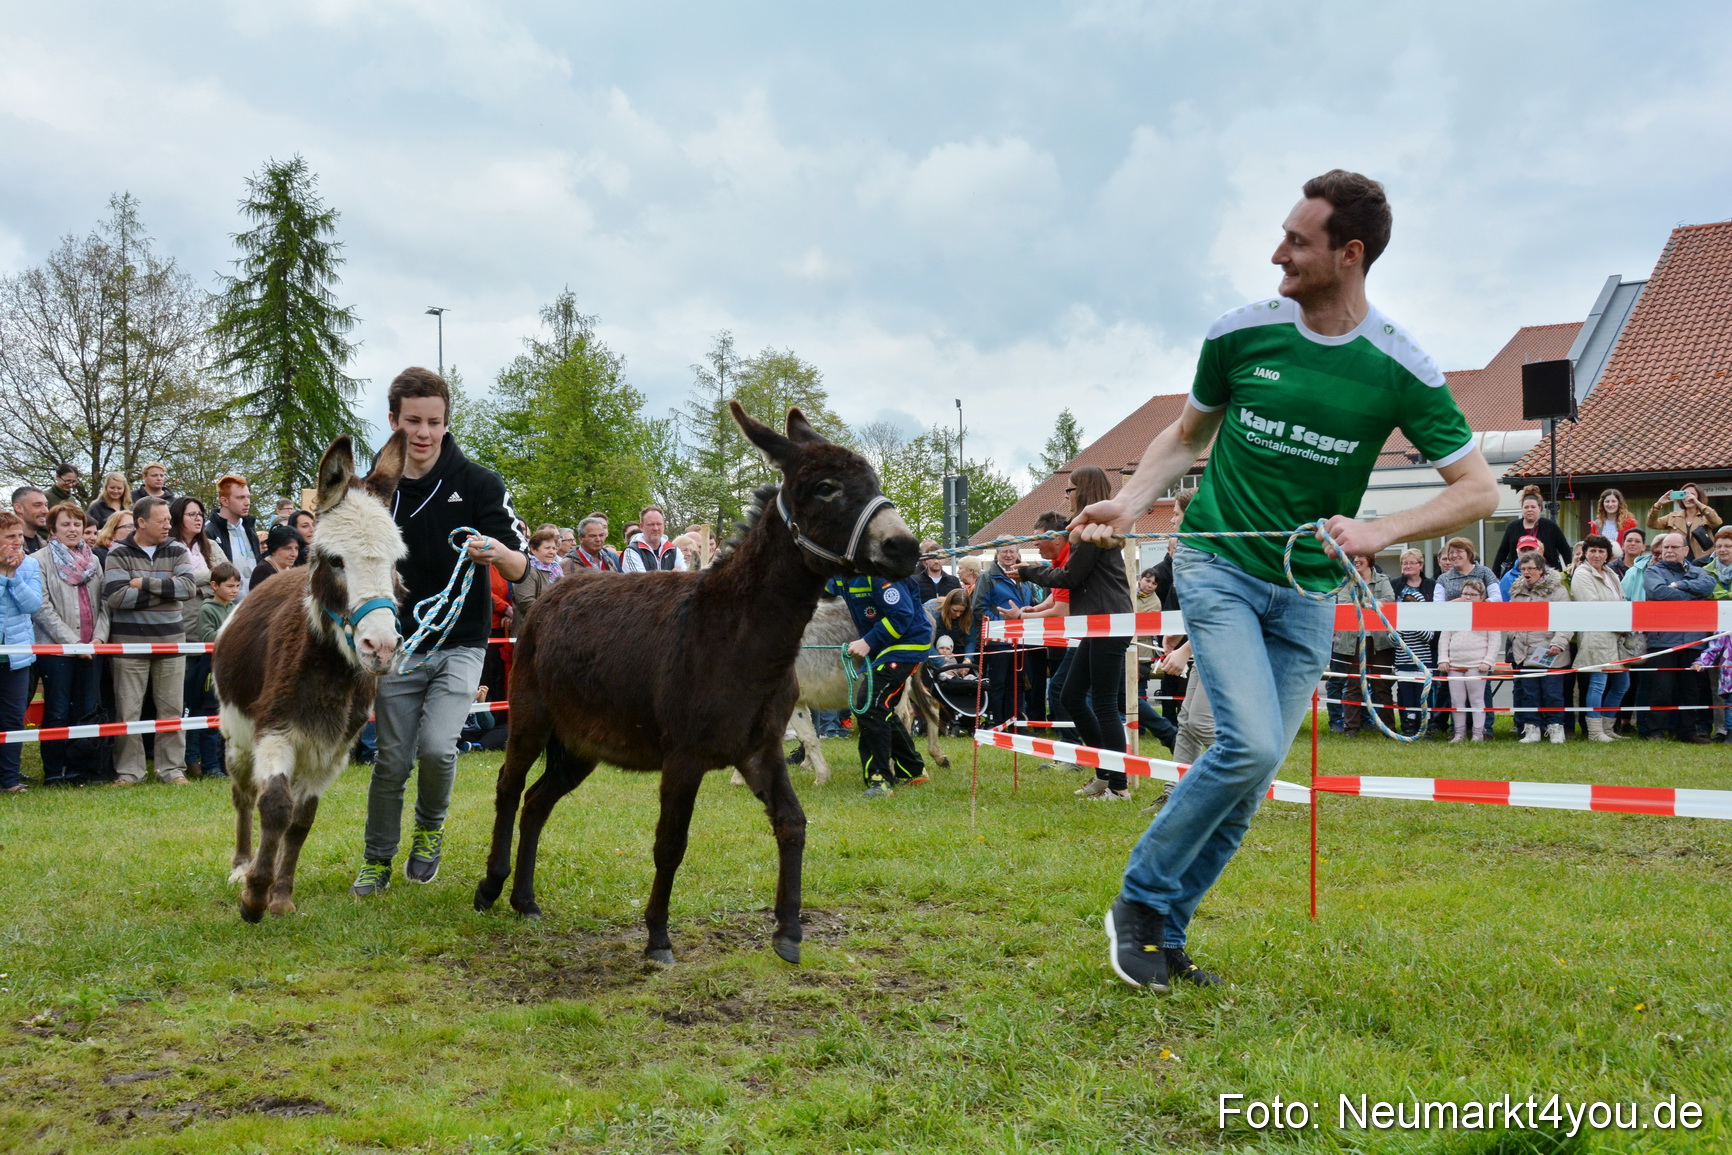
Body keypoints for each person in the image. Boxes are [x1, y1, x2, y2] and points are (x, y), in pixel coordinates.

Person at [1070, 169, 1496, 990]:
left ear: (1351, 254)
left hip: (1310, 588)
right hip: (1218, 560)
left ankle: (1166, 931)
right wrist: (1129, 498)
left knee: (1255, 773)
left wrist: (1380, 530)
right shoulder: (1240, 335)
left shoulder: (1401, 366)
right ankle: (1137, 899)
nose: (1277, 255)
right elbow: (1187, 432)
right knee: (1253, 742)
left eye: (1298, 243)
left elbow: (1480, 489)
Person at [355, 366, 528, 897]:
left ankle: (429, 832)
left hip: (460, 641)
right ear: (393, 421)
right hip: (396, 644)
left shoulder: (479, 484)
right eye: (412, 421)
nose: (423, 433)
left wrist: (495, 552)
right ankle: (376, 860)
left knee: (437, 748)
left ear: (447, 422)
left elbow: (522, 567)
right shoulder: (371, 491)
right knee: (391, 759)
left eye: (434, 422)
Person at [1015, 466, 1137, 800]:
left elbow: (1071, 577)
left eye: (1069, 491)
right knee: (1069, 695)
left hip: (1109, 623)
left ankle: (1119, 785)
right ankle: (1105, 773)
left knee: (1104, 704)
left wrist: (1029, 572)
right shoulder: (1086, 529)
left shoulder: (1093, 530)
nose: (1066, 497)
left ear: (1081, 492)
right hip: (1097, 623)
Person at [103, 495, 195, 786]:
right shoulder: (117, 553)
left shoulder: (178, 549)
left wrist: (143, 583)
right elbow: (116, 596)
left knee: (171, 710)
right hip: (129, 646)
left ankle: (172, 769)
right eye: (162, 520)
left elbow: (188, 589)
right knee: (127, 711)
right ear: (141, 522)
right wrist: (166, 591)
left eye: (169, 519)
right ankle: (130, 771)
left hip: (171, 643)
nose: (169, 524)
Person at [826, 567, 932, 797]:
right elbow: (820, 588)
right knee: (880, 706)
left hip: (904, 646)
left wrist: (868, 641)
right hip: (882, 650)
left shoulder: (881, 573)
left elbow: (901, 614)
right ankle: (913, 769)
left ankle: (880, 780)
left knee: (870, 705)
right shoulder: (843, 575)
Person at [32, 503, 109, 785]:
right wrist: (73, 642)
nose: (73, 529)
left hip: (94, 647)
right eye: (65, 524)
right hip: (56, 650)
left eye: (77, 524)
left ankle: (82, 769)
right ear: (52, 530)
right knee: (57, 710)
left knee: (86, 710)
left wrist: (99, 638)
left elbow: (104, 604)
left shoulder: (95, 561)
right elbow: (41, 608)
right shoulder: (38, 560)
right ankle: (55, 771)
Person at [1638, 533, 1714, 742]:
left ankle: (1687, 731)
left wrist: (1680, 585)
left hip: (1692, 639)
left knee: (1690, 690)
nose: (1669, 551)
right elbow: (1659, 593)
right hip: (1662, 640)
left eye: (1674, 547)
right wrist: (1693, 594)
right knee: (1660, 688)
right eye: (1666, 547)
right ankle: (1656, 731)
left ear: (1685, 550)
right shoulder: (1653, 571)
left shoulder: (1699, 571)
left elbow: (1708, 586)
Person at [965, 543, 1033, 727]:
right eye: (1004, 551)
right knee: (999, 683)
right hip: (998, 641)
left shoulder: (1024, 578)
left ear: (1018, 554)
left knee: (1018, 683)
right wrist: (1000, 625)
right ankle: (997, 722)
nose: (1008, 555)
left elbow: (1031, 603)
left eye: (1012, 551)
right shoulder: (987, 577)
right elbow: (978, 608)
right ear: (998, 554)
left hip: (1021, 638)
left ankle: (1015, 723)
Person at [1569, 534, 1628, 743]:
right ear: (1585, 553)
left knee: (1622, 684)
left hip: (1617, 636)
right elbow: (1593, 607)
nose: (1596, 555)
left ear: (1608, 555)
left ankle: (1607, 727)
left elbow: (1622, 600)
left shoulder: (1611, 573)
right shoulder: (1582, 574)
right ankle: (1594, 731)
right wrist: (1619, 623)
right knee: (1597, 683)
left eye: (1601, 551)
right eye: (1592, 550)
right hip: (1597, 635)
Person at [0, 512, 43, 793]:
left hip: (17, 657)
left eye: (19, 536)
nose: (17, 542)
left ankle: (9, 779)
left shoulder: (29, 565)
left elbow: (33, 605)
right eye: (9, 537)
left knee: (14, 718)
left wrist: (12, 577)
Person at [1329, 554, 1396, 736]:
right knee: (1353, 685)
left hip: (1379, 641)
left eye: (1360, 557)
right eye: (1354, 558)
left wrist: (1360, 604)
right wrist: (1372, 604)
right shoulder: (1346, 581)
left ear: (1370, 560)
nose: (1356, 560)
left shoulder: (1383, 580)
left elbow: (1389, 601)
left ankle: (1389, 729)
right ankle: (1351, 729)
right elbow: (1344, 604)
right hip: (1354, 640)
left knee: (1382, 686)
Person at [1507, 551, 1570, 743]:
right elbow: (1509, 620)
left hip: (1551, 652)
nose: (1526, 572)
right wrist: (1515, 636)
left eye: (1531, 568)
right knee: (1529, 694)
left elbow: (1567, 620)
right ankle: (1531, 729)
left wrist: (1558, 643)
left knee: (1552, 694)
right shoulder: (1516, 592)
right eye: (1523, 569)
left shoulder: (1558, 591)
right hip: (1524, 653)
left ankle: (1556, 728)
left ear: (1541, 570)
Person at [193, 562, 241, 776]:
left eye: (237, 586)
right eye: (230, 586)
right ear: (214, 585)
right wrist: (232, 637)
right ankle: (210, 765)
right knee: (210, 719)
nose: (235, 591)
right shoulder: (207, 609)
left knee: (229, 722)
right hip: (210, 672)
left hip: (232, 670)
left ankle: (225, 764)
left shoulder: (235, 608)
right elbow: (206, 638)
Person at [1437, 580, 1498, 743]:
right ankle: (1459, 733)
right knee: (1456, 700)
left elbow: (1495, 640)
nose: (1468, 597)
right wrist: (1443, 658)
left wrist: (1488, 661)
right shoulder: (1454, 613)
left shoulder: (1488, 614)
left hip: (1477, 665)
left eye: (1473, 594)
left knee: (1477, 700)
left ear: (1482, 597)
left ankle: (1478, 734)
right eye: (1465, 594)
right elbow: (1445, 637)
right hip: (1454, 664)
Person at [1390, 548, 1436, 736]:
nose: (1408, 566)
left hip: (1425, 656)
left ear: (1421, 565)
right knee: (1405, 694)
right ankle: (1408, 725)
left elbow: (1429, 633)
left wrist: (1415, 623)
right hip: (1402, 660)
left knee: (1424, 694)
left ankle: (1427, 725)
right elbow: (1392, 635)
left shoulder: (1431, 586)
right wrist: (1401, 625)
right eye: (1404, 563)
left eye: (1412, 562)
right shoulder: (1395, 586)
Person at [1491, 485, 1570, 575]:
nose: (1529, 510)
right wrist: (1495, 575)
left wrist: (1569, 572)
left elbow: (1565, 550)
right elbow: (1502, 553)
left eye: (1533, 507)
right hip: (1518, 575)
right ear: (1522, 509)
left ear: (1540, 508)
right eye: (1526, 507)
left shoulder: (1550, 526)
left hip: (1547, 575)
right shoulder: (1512, 527)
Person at [207, 474, 260, 596]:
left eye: (248, 497)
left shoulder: (250, 528)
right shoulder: (209, 531)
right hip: (225, 607)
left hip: (252, 604)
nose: (247, 503)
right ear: (224, 501)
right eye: (240, 498)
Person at [1647, 482, 1722, 562]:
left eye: (1692, 494)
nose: (1688, 497)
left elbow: (1717, 522)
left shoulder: (1706, 516)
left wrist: (1697, 503)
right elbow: (1652, 524)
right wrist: (1658, 505)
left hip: (1703, 562)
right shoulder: (1673, 517)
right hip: (1678, 562)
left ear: (1698, 497)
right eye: (1684, 494)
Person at [513, 528, 564, 638]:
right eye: (547, 548)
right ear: (533, 549)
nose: (552, 552)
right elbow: (525, 602)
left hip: (552, 629)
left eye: (554, 548)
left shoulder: (557, 570)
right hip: (530, 632)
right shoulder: (527, 570)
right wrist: (553, 615)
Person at [621, 506, 685, 572]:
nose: (656, 528)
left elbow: (683, 578)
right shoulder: (631, 551)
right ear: (641, 526)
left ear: (664, 525)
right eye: (651, 524)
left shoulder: (674, 550)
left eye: (659, 524)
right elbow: (640, 580)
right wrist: (671, 575)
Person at [249, 524, 304, 591]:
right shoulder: (263, 572)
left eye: (296, 548)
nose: (294, 554)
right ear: (273, 549)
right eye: (288, 548)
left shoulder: (291, 567)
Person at [12, 487, 49, 554]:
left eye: (46, 505)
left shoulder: (46, 546)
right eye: (37, 505)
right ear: (18, 508)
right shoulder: (8, 546)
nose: (45, 511)